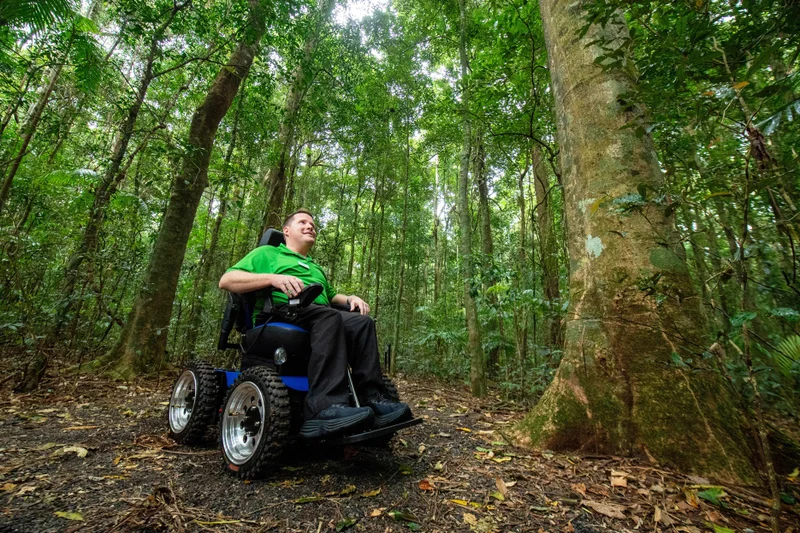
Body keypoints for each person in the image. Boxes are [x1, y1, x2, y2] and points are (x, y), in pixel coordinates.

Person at [219, 209, 411, 439]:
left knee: (362, 323)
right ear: (286, 231)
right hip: (278, 313)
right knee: (329, 317)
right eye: (303, 222)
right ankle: (324, 407)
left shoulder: (314, 267)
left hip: (317, 314)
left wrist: (350, 298)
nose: (310, 226)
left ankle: (372, 398)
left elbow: (330, 297)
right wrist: (273, 278)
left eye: (312, 224)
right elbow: (227, 280)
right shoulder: (268, 254)